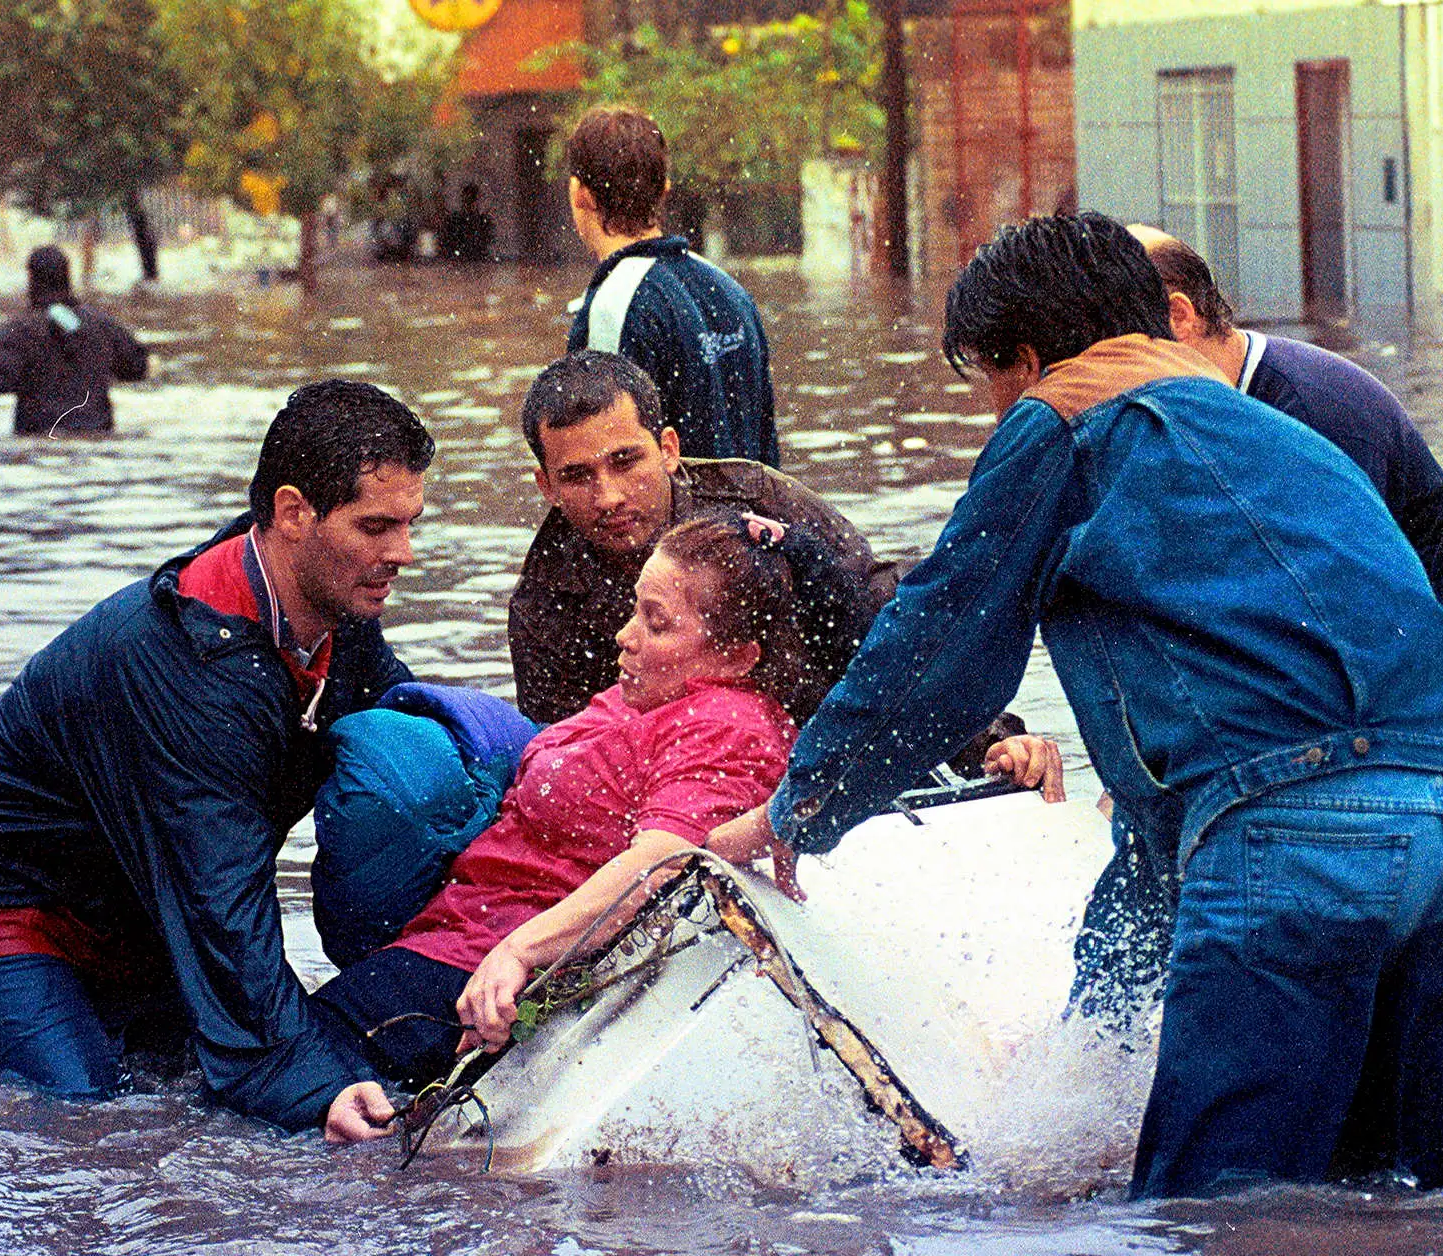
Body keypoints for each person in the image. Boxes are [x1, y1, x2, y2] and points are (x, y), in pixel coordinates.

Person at [712, 212, 1443, 1200]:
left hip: (1293, 828)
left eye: (990, 385)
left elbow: (938, 649)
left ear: (1029, 359)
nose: (996, 415)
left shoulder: (1065, 416)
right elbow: (1167, 831)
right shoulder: (1270, 431)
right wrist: (1085, 1044)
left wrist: (802, 805)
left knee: (1214, 1235)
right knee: (1397, 1210)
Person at [315, 512, 1060, 1141]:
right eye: (635, 608)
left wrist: (517, 953)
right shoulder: (652, 690)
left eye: (657, 621)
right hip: (453, 934)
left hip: (487, 967)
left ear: (737, 656)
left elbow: (669, 857)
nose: (624, 635)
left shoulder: (726, 724)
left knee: (266, 1072)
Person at [0, 380, 433, 1131]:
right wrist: (317, 1087)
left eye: (411, 523)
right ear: (294, 513)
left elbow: (413, 736)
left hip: (129, 904)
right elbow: (224, 900)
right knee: (78, 1119)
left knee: (187, 1085)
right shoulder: (195, 669)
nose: (404, 553)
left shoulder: (330, 596)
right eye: (377, 526)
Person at [1129, 224, 1443, 962]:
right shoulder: (1193, 414)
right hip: (1347, 735)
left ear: (1179, 318)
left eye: (1117, 343)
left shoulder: (1316, 410)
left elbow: (1349, 622)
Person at [508, 349, 896, 726]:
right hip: (669, 763)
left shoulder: (758, 498)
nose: (608, 497)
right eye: (578, 476)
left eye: (625, 462)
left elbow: (881, 605)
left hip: (824, 726)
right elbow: (565, 751)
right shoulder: (542, 604)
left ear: (668, 449)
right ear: (547, 487)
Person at [564, 106, 778, 465]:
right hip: (752, 521)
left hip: (673, 523)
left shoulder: (612, 307)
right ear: (664, 189)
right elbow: (765, 447)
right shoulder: (730, 290)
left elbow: (600, 466)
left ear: (579, 193)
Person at [0, 245, 148, 435]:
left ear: (31, 278)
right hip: (97, 435)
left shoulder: (21, 331)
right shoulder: (103, 325)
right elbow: (138, 367)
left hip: (38, 439)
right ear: (67, 276)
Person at [437, 182, 495, 262]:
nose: (470, 203)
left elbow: (486, 242)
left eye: (472, 199)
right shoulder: (455, 220)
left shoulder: (483, 222)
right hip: (461, 261)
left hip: (475, 261)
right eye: (468, 199)